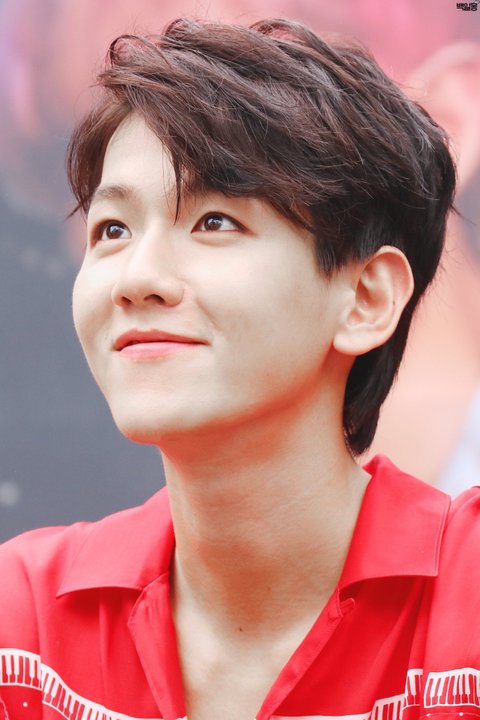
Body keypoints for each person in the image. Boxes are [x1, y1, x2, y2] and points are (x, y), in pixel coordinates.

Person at [0, 17, 468, 720]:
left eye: (214, 221)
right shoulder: (25, 627)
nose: (137, 279)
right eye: (112, 229)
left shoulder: (465, 596)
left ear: (366, 298)